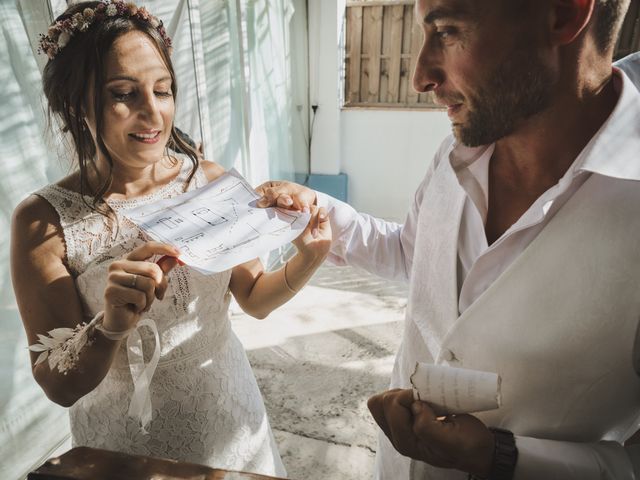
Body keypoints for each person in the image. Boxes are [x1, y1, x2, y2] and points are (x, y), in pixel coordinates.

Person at [257, 0, 640, 478]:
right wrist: (324, 213)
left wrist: (502, 457)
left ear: (563, 14)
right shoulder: (457, 151)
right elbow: (414, 257)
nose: (420, 76)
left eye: (449, 30)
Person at [10, 1, 330, 477]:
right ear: (77, 105)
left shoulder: (212, 183)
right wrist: (109, 326)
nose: (153, 112)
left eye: (163, 90)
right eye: (124, 94)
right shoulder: (43, 222)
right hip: (121, 444)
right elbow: (58, 385)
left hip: (228, 418)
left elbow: (255, 298)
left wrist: (308, 257)